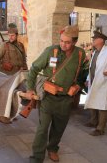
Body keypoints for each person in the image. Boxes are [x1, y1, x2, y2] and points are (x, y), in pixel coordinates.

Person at [25, 25, 87, 163]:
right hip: (48, 97)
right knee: (42, 129)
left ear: (75, 42)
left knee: (59, 128)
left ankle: (52, 149)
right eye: (62, 41)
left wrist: (77, 86)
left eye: (67, 42)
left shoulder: (81, 54)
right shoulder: (51, 51)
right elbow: (34, 69)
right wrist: (30, 89)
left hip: (66, 100)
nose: (63, 44)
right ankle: (36, 157)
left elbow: (84, 74)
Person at [84, 31, 107, 136]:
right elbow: (92, 68)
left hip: (103, 82)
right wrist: (87, 78)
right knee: (92, 101)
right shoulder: (95, 52)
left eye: (95, 39)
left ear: (101, 40)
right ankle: (93, 121)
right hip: (94, 81)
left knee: (102, 106)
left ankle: (100, 129)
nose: (93, 40)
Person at [0, 27, 27, 124]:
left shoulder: (21, 46)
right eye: (9, 35)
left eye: (12, 35)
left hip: (18, 74)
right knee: (6, 96)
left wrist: (24, 68)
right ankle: (2, 116)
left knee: (15, 96)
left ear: (17, 35)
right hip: (8, 75)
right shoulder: (5, 45)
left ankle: (11, 114)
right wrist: (3, 72)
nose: (10, 37)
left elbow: (24, 59)